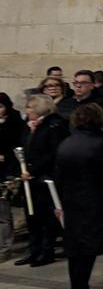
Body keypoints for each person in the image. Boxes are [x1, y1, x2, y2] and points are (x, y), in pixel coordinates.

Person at [54, 103, 103, 289]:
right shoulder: (100, 143)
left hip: (71, 202)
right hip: (92, 202)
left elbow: (59, 176)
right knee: (87, 250)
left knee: (76, 249)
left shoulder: (66, 143)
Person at [19, 94, 69, 267]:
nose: (27, 111)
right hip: (29, 177)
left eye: (30, 107)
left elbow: (53, 153)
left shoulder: (54, 125)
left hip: (45, 177)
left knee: (46, 216)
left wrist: (33, 170)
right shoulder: (29, 126)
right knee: (32, 216)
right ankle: (34, 249)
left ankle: (47, 251)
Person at [0, 92, 28, 262]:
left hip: (6, 173)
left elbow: (17, 147)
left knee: (3, 214)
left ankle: (5, 248)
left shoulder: (15, 123)